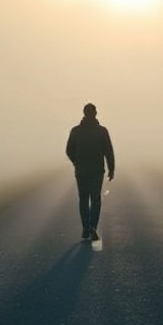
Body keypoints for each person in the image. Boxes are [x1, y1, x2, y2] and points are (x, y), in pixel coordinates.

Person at [66, 103, 115, 242]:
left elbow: (69, 150)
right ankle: (92, 226)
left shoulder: (76, 131)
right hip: (97, 170)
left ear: (84, 113)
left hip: (81, 171)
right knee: (95, 200)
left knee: (83, 199)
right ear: (95, 113)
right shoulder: (102, 131)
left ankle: (85, 227)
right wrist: (111, 169)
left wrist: (76, 162)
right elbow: (108, 151)